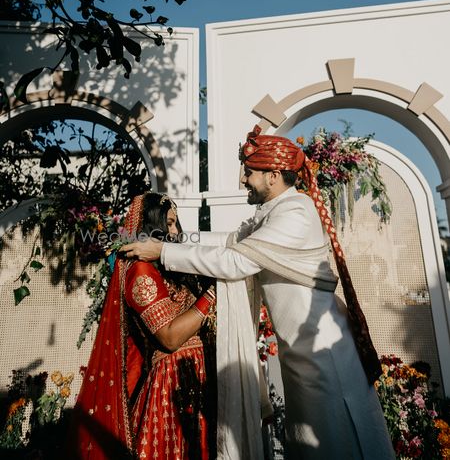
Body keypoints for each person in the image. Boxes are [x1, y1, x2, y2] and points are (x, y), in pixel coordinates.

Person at [121, 127, 395, 460]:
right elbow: (228, 241)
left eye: (249, 173)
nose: (242, 180)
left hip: (325, 360)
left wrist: (163, 252)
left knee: (340, 444)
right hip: (303, 360)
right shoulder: (273, 213)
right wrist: (169, 240)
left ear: (274, 176)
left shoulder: (296, 212)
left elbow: (236, 260)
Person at [70, 191, 216, 460]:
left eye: (176, 223)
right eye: (168, 224)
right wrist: (212, 296)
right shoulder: (141, 272)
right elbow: (170, 338)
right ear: (151, 228)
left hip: (196, 378)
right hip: (171, 386)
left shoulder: (171, 267)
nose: (175, 231)